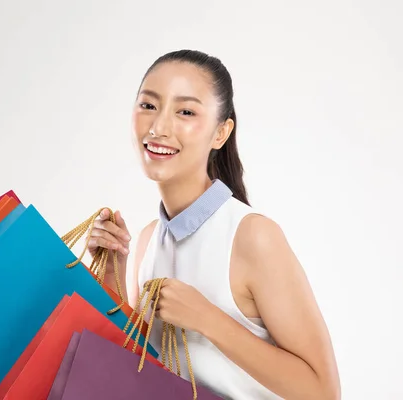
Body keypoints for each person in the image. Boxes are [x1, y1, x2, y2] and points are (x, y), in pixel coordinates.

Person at [86, 49, 341, 400]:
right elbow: (138, 372)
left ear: (220, 133)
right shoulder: (147, 240)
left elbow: (323, 392)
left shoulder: (253, 236)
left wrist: (208, 319)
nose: (159, 127)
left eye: (186, 111)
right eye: (148, 106)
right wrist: (111, 275)